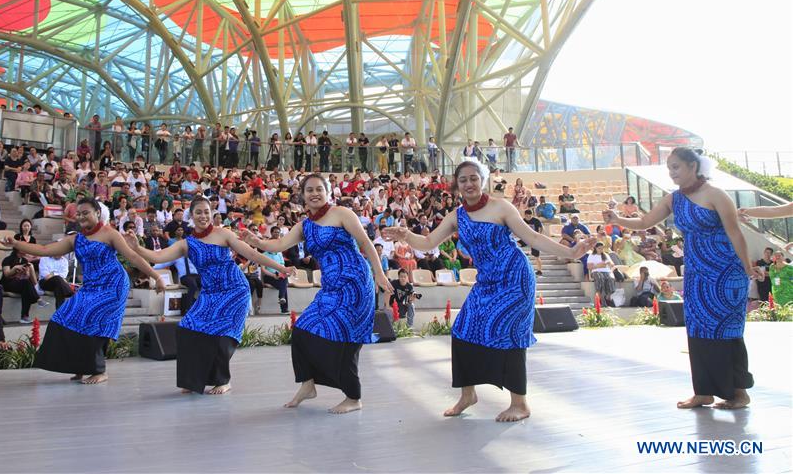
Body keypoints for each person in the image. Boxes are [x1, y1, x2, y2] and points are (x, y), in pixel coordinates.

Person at [383, 159, 593, 422]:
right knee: (462, 330)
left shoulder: (500, 207)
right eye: (463, 180)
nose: (469, 184)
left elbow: (533, 238)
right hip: (487, 282)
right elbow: (427, 242)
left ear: (482, 180)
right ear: (456, 185)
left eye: (473, 178)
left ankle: (520, 403)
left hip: (515, 278)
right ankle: (467, 394)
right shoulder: (456, 216)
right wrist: (405, 234)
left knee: (511, 334)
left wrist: (571, 252)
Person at [603, 147, 761, 410]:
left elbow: (735, 234)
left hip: (726, 272)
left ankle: (738, 393)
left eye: (676, 167)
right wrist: (618, 219)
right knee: (698, 329)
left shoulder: (716, 195)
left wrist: (747, 268)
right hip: (697, 273)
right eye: (669, 168)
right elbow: (644, 223)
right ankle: (704, 392)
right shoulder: (673, 199)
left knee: (726, 329)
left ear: (693, 166)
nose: (672, 172)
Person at [239, 174, 393, 414]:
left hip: (355, 283)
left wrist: (379, 275)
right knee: (301, 330)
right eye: (309, 190)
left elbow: (365, 243)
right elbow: (278, 246)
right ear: (302, 195)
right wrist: (255, 240)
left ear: (328, 191)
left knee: (346, 339)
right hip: (331, 287)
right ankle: (308, 384)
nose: (314, 194)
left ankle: (354, 397)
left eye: (319, 189)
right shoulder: (304, 226)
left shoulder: (342, 214)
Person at [131, 197, 292, 394]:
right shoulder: (186, 244)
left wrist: (282, 268)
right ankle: (193, 379)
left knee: (223, 336)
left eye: (206, 212)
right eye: (198, 212)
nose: (203, 216)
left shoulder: (223, 234)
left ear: (212, 213)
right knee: (187, 328)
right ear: (191, 216)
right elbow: (158, 256)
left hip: (234, 289)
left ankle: (222, 381)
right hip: (210, 293)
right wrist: (137, 247)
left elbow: (253, 255)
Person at [2, 197, 164, 384]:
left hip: (113, 285)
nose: (81, 217)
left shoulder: (110, 234)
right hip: (91, 287)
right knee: (63, 316)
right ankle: (79, 366)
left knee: (92, 319)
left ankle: (99, 370)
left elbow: (133, 256)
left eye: (85, 212)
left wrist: (156, 276)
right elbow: (44, 249)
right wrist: (16, 244)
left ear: (97, 213)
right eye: (78, 214)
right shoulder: (75, 239)